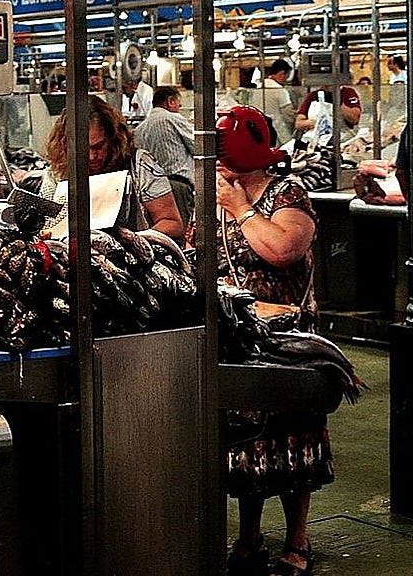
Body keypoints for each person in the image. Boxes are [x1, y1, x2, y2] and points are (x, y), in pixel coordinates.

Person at [212, 105, 326, 576]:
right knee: (246, 442)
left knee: (292, 433)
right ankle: (249, 533)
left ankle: (297, 537)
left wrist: (240, 209)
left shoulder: (288, 193)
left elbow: (283, 250)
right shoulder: (216, 196)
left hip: (287, 339)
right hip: (237, 334)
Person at [38, 94, 185, 241]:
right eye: (82, 148)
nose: (91, 156)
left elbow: (172, 223)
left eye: (98, 146)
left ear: (112, 138)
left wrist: (132, 242)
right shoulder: (56, 173)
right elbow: (45, 227)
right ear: (66, 145)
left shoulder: (140, 165)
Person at [134, 85, 196, 228]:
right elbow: (200, 146)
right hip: (177, 188)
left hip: (151, 194)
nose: (179, 109)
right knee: (180, 236)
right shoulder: (172, 118)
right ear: (170, 101)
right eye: (179, 105)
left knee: (159, 237)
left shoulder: (139, 129)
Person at [293, 84, 362, 149]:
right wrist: (318, 123)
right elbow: (298, 123)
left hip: (342, 142)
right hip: (315, 143)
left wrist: (337, 101)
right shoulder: (313, 95)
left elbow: (354, 119)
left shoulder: (348, 92)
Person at [258, 58, 297, 145]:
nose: (285, 80)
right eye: (286, 77)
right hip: (276, 131)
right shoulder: (280, 90)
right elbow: (288, 113)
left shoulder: (260, 86)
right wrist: (297, 119)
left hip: (258, 130)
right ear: (282, 74)